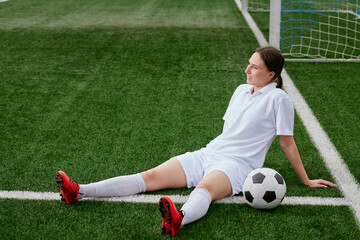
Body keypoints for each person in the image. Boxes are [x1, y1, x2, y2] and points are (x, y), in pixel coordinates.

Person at [56, 46, 336, 236]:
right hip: (208, 153)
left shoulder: (279, 99)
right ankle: (78, 191)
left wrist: (307, 180)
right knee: (150, 176)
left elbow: (287, 143)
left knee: (204, 188)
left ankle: (179, 219)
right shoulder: (241, 90)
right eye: (248, 64)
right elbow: (230, 131)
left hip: (238, 166)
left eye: (254, 67)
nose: (246, 70)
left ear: (272, 74)